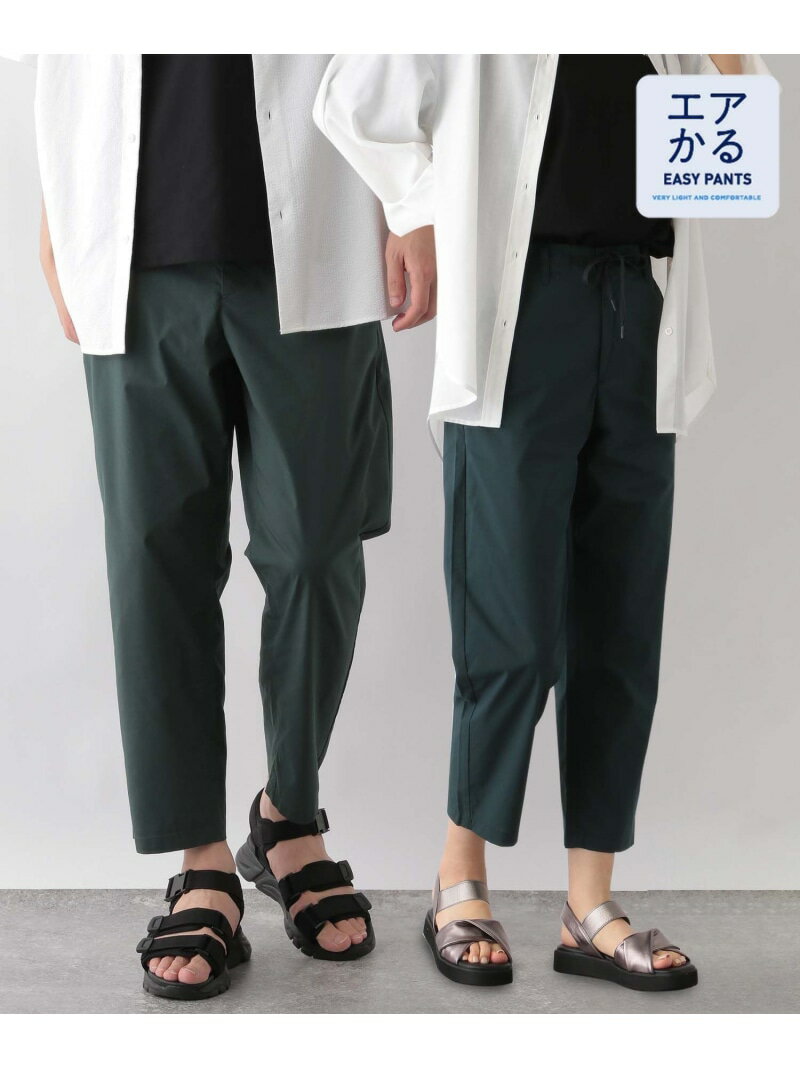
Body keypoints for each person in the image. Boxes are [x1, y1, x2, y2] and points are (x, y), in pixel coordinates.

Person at [316, 52, 768, 991]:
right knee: (510, 626)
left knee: (619, 629)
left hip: (640, 305)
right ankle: (459, 878)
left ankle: (589, 906)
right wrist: (416, 211)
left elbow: (727, 172)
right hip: (519, 314)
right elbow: (352, 98)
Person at [8, 53, 430, 1002]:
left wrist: (412, 195)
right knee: (152, 563)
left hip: (322, 224)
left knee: (318, 549)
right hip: (131, 236)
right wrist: (57, 202)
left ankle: (288, 815)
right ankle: (202, 860)